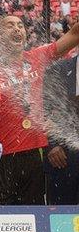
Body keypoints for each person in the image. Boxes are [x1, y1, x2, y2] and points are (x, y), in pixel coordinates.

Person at [0, 15, 79, 205]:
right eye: (10, 25)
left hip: (34, 155)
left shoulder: (37, 57)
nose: (17, 29)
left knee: (34, 215)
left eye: (20, 25)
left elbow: (75, 34)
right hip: (2, 157)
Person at [43, 56, 79, 205]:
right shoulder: (58, 69)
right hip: (63, 159)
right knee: (61, 216)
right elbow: (43, 109)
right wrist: (51, 144)